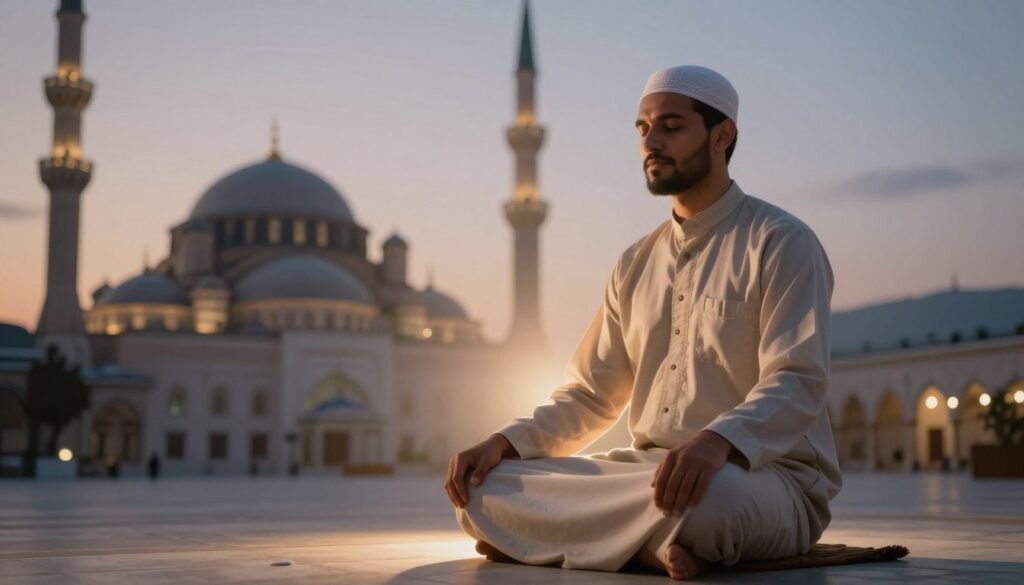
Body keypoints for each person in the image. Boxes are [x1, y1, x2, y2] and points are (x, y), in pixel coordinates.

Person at [445, 64, 842, 581]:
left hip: (764, 476)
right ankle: (654, 549)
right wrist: (505, 442)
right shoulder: (636, 263)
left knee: (709, 504)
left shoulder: (780, 242)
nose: (651, 142)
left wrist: (718, 441)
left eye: (671, 126)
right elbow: (590, 395)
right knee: (483, 490)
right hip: (649, 475)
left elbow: (798, 378)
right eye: (642, 129)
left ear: (722, 135)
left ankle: (582, 541)